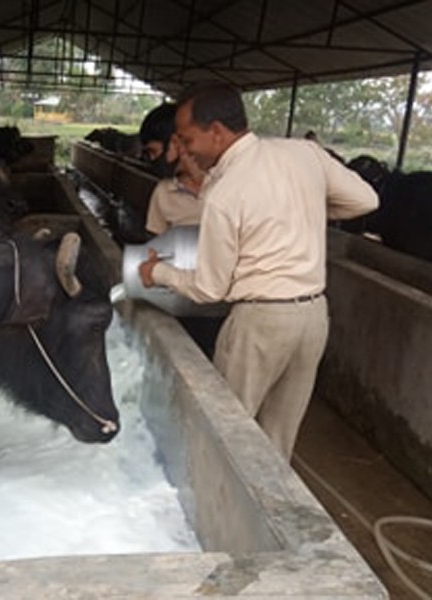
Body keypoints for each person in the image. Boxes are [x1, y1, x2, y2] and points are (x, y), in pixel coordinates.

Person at [138, 82, 378, 460]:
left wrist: (159, 274)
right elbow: (366, 199)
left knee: (225, 430)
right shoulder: (303, 154)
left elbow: (209, 288)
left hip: (261, 321)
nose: (183, 150)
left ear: (216, 131)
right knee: (278, 439)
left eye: (187, 139)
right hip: (313, 316)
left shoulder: (225, 192)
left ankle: (213, 513)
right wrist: (305, 209)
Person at [138, 103, 205, 236]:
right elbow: (156, 247)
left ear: (175, 143)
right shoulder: (163, 193)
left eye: (154, 152)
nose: (153, 160)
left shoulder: (226, 181)